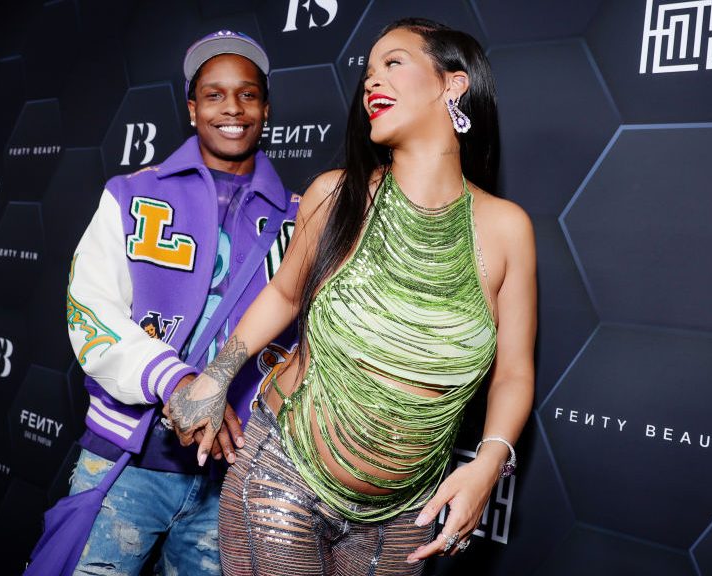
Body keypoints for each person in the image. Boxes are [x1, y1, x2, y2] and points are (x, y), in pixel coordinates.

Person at [167, 18, 536, 575]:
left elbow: (513, 373)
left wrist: (488, 465)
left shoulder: (507, 229)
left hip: (406, 514)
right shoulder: (335, 194)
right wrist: (215, 378)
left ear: (453, 84)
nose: (371, 80)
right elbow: (284, 294)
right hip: (283, 480)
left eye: (393, 62)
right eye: (367, 70)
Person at [62, 29, 298, 575]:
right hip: (126, 462)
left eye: (247, 94)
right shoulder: (130, 193)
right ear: (192, 109)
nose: (232, 108)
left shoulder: (302, 215)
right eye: (214, 95)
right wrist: (175, 381)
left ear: (266, 108)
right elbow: (89, 309)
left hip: (235, 479)